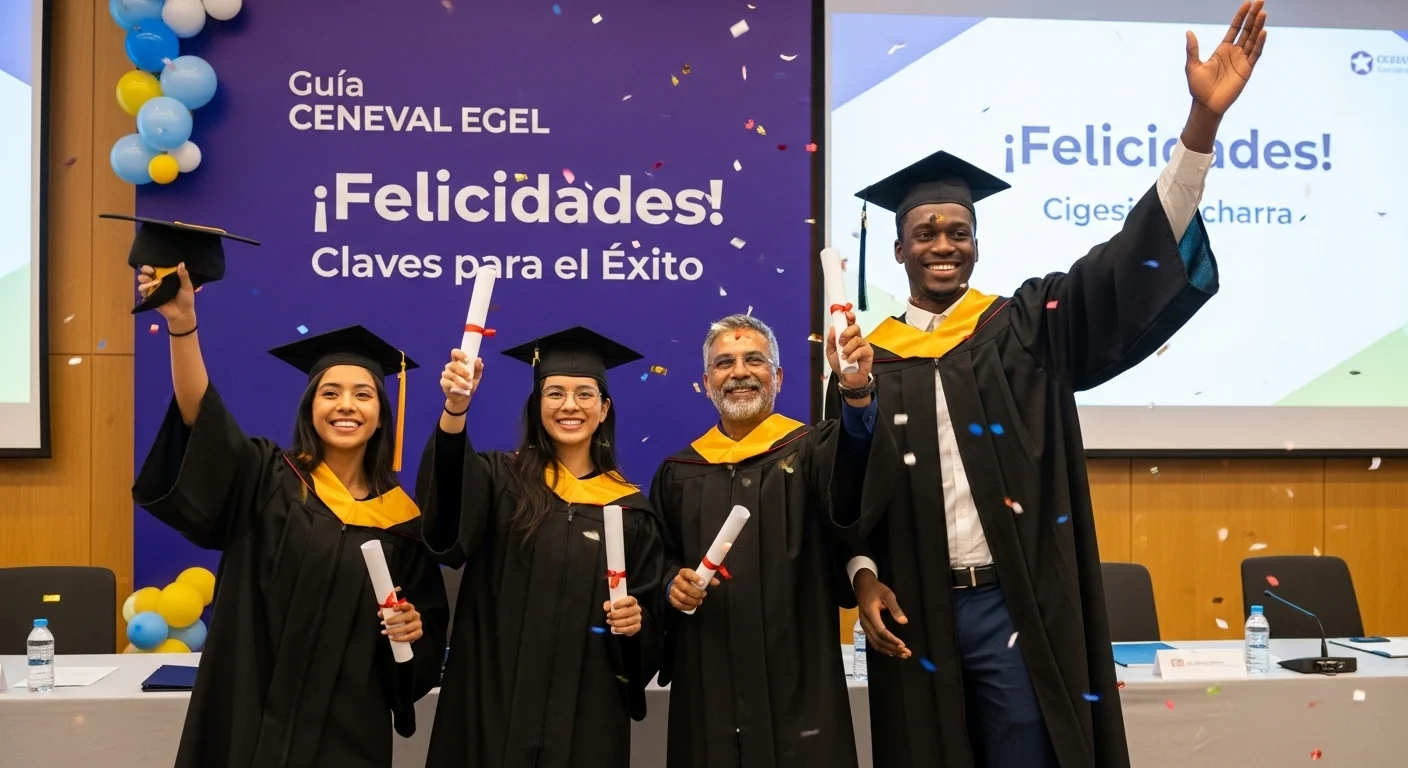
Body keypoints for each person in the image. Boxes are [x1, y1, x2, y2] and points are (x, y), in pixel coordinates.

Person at [830, 3, 1268, 766]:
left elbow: (1125, 263)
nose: (943, 244)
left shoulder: (1023, 328)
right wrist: (863, 577)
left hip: (1014, 601)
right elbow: (847, 494)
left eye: (957, 231)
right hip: (918, 605)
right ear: (898, 248)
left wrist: (1199, 128)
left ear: (975, 242)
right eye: (926, 232)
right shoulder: (867, 362)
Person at [129, 235, 448, 768]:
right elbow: (200, 417)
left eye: (363, 394)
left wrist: (412, 631)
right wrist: (183, 326)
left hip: (347, 730)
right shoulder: (267, 478)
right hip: (248, 716)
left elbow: (421, 644)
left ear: (381, 416)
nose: (346, 405)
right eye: (330, 393)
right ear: (310, 407)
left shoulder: (403, 524)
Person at [418, 326, 667, 768]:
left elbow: (646, 638)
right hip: (489, 707)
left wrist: (636, 625)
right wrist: (455, 410)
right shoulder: (499, 480)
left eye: (584, 394)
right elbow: (447, 530)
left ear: (604, 408)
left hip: (584, 718)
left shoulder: (632, 513)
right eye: (555, 393)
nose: (569, 406)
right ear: (537, 406)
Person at [652, 313, 876, 768]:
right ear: (706, 381)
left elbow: (857, 481)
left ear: (777, 376)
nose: (739, 372)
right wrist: (668, 585)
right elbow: (655, 562)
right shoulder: (680, 472)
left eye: (754, 360)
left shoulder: (813, 451)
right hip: (707, 683)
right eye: (724, 363)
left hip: (800, 682)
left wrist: (855, 391)